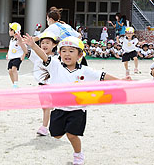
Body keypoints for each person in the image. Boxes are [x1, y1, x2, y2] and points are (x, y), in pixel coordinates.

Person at [23, 34, 130, 165]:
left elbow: (102, 76)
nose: (67, 54)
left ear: (79, 55)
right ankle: (63, 136)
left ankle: (78, 155)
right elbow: (44, 56)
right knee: (56, 135)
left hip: (77, 110)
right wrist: (33, 45)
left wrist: (121, 81)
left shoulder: (85, 71)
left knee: (72, 134)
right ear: (60, 53)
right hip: (59, 108)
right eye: (64, 51)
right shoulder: (55, 66)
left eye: (71, 51)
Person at [22, 31, 59, 136]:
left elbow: (44, 57)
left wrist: (33, 46)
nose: (44, 45)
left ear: (54, 45)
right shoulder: (37, 55)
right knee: (46, 107)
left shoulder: (54, 58)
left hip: (51, 87)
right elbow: (27, 52)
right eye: (42, 43)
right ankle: (48, 124)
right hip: (41, 86)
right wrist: (20, 41)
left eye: (48, 43)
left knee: (47, 107)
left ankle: (44, 127)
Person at [6, 22, 26, 88]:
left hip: (18, 57)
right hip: (12, 57)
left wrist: (23, 56)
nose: (9, 31)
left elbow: (25, 48)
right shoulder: (11, 40)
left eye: (11, 30)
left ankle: (16, 83)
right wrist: (7, 54)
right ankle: (14, 84)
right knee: (10, 71)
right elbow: (10, 48)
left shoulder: (19, 40)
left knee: (14, 69)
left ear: (15, 31)